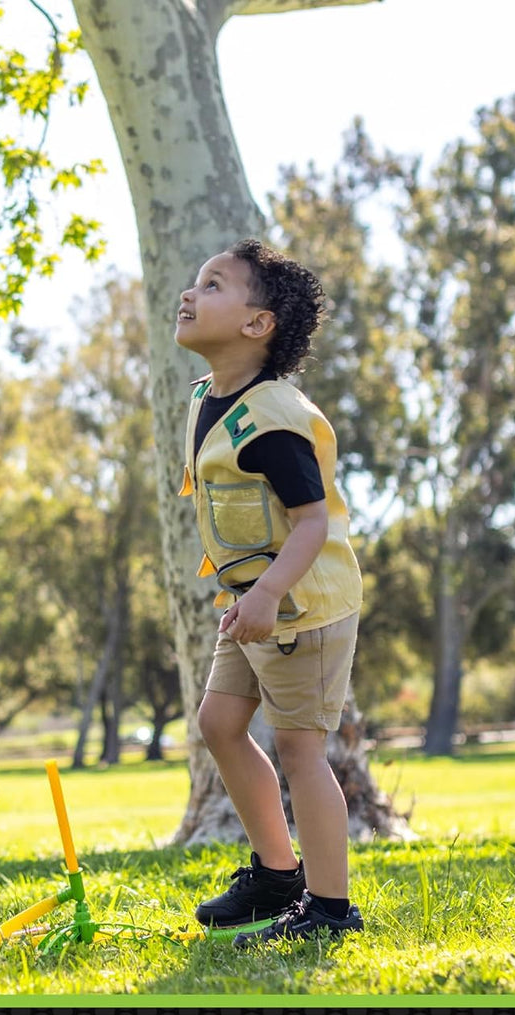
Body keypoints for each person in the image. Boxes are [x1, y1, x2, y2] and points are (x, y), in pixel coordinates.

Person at [174, 237, 364, 946]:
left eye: (214, 285)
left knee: (298, 747)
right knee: (219, 725)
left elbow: (312, 524)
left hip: (302, 603)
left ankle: (328, 907)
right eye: (196, 283)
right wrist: (246, 597)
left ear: (258, 324)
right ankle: (276, 877)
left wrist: (266, 596)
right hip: (251, 602)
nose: (190, 295)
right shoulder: (208, 399)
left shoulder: (274, 417)